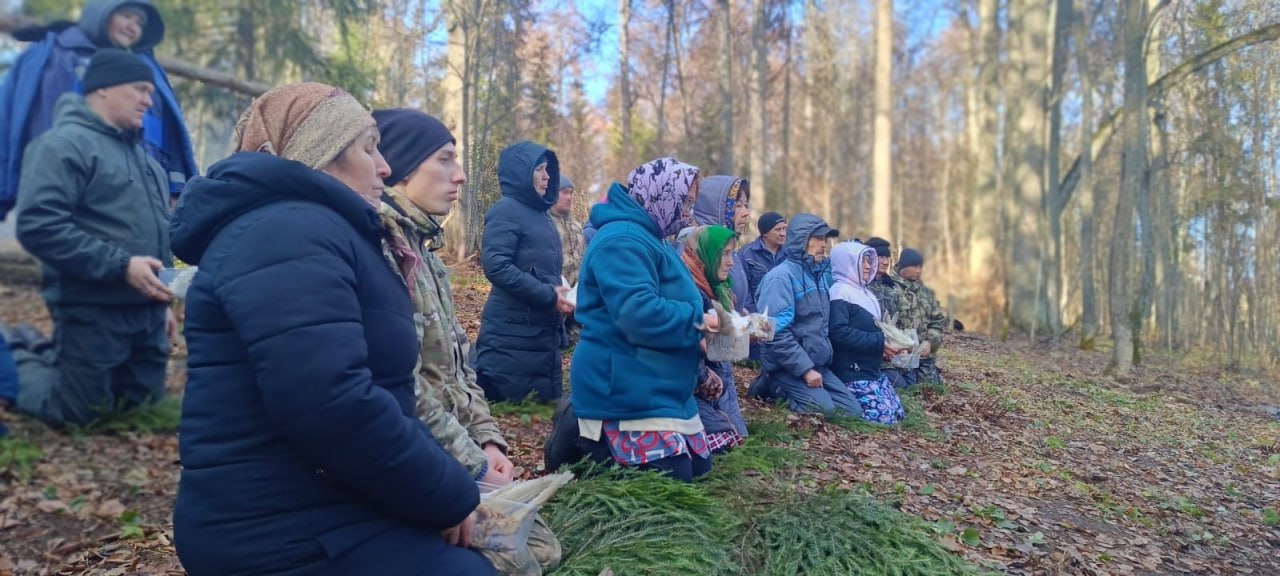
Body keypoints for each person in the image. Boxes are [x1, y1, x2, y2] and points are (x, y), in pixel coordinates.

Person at [170, 83, 494, 575]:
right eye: (369, 148)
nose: (385, 167)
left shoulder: (318, 230)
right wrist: (448, 494)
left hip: (325, 500)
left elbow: (381, 392)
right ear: (320, 151)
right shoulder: (284, 232)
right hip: (275, 530)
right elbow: (331, 403)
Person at [372, 108, 561, 570]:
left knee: (541, 551)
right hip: (416, 459)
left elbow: (458, 368)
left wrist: (488, 443)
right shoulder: (377, 249)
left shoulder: (427, 255)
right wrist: (468, 464)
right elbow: (402, 385)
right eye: (445, 160)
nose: (460, 176)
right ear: (400, 164)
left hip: (455, 450)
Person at [11, 49, 176, 428]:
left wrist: (166, 297)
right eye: (140, 89)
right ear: (102, 88)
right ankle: (14, 354)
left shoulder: (149, 162)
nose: (149, 101)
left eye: (150, 92)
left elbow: (162, 235)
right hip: (93, 307)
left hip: (147, 313)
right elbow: (39, 225)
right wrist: (120, 266)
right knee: (78, 415)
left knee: (142, 409)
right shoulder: (62, 145)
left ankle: (53, 354)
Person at [554, 158, 716, 482]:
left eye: (691, 203)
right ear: (660, 194)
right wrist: (700, 320)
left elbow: (677, 299)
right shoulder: (622, 240)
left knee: (697, 470)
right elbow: (637, 313)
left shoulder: (654, 237)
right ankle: (589, 446)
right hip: (624, 387)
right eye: (684, 201)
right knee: (670, 481)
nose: (688, 211)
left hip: (656, 386)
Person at [1, 0, 197, 220]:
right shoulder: (56, 55)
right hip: (70, 189)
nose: (132, 26)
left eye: (139, 22)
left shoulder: (149, 71)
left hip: (142, 198)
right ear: (101, 11)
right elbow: (10, 118)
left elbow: (169, 134)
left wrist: (175, 189)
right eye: (126, 15)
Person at [473, 141, 572, 404]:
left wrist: (560, 291)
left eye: (548, 169)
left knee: (543, 401)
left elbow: (538, 267)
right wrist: (547, 294)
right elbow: (497, 265)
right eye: (539, 169)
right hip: (511, 334)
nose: (548, 176)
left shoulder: (542, 216)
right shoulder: (506, 210)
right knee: (507, 397)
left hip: (539, 332)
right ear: (521, 173)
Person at [751, 214, 861, 416]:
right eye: (819, 238)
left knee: (852, 412)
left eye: (825, 239)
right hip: (786, 366)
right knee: (824, 410)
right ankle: (772, 385)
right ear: (802, 240)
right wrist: (805, 370)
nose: (824, 244)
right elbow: (772, 334)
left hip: (817, 363)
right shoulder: (779, 279)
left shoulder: (817, 275)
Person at [679, 225, 749, 451]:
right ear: (706, 254)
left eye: (732, 253)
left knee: (735, 442)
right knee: (724, 445)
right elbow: (692, 345)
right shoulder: (689, 291)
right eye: (724, 254)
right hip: (698, 388)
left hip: (717, 386)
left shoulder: (716, 288)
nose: (731, 262)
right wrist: (741, 336)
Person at [829, 241, 905, 424]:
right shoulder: (839, 293)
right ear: (846, 263)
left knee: (898, 415)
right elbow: (838, 332)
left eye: (869, 261)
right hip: (852, 372)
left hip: (871, 370)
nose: (868, 266)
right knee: (883, 418)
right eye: (862, 261)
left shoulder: (866, 294)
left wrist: (891, 346)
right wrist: (879, 343)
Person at [689, 175, 755, 312]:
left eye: (746, 205)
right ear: (715, 209)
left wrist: (741, 313)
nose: (746, 213)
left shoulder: (729, 245)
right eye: (737, 205)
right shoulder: (698, 250)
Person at [894, 248, 947, 387]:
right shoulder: (890, 288)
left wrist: (930, 343)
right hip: (898, 356)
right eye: (914, 266)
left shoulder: (925, 293)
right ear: (903, 266)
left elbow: (938, 321)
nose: (918, 270)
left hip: (923, 357)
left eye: (920, 267)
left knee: (933, 390)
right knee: (907, 392)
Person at [740, 211, 789, 301]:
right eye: (778, 230)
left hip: (786, 312)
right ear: (765, 233)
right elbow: (742, 289)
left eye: (784, 229)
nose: (783, 233)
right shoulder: (746, 255)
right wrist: (755, 312)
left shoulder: (790, 254)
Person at [551, 176, 585, 287]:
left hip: (578, 293)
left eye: (571, 193)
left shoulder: (577, 226)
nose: (569, 197)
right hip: (554, 293)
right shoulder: (544, 224)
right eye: (564, 193)